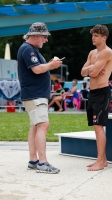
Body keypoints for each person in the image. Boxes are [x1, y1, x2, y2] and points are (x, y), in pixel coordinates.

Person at [17, 22, 62, 174]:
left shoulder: (29, 49)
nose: (46, 40)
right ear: (36, 36)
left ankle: (33, 160)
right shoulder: (28, 49)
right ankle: (43, 163)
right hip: (35, 95)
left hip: (33, 94)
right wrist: (51, 65)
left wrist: (50, 64)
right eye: (44, 37)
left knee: (35, 126)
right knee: (43, 125)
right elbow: (37, 70)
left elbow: (38, 68)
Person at [81, 24, 112, 171]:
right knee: (96, 127)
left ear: (104, 37)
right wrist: (92, 67)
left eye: (96, 35)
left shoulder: (107, 52)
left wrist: (91, 69)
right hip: (93, 93)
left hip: (102, 92)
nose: (93, 38)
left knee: (98, 126)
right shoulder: (92, 53)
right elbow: (83, 72)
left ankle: (101, 161)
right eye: (92, 35)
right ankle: (103, 160)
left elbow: (93, 74)